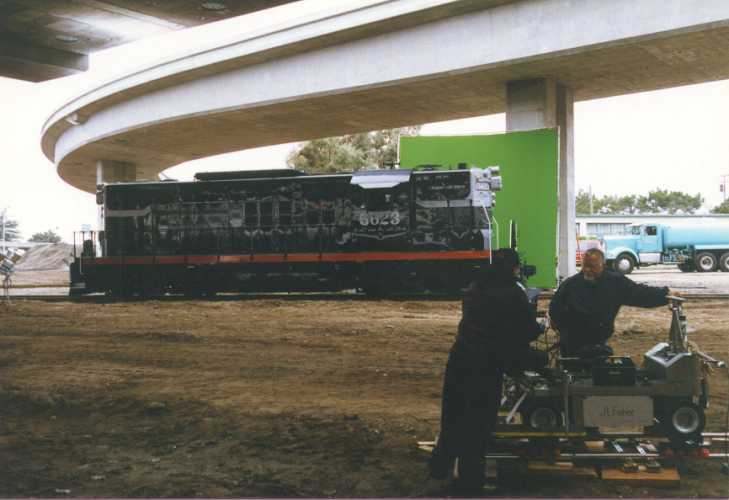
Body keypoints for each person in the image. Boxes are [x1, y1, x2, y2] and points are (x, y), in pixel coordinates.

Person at [428, 248, 545, 494]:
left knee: (453, 417)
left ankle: (438, 468)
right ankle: (469, 485)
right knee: (477, 427)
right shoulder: (513, 292)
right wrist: (540, 328)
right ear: (514, 268)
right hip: (486, 366)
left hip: (459, 360)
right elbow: (525, 330)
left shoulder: (475, 287)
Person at [549, 248, 672, 357]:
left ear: (603, 265)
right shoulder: (569, 285)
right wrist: (563, 329)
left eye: (592, 267)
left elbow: (640, 293)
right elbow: (554, 309)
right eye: (584, 266)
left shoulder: (615, 282)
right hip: (571, 342)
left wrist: (666, 295)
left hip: (599, 341)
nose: (587, 270)